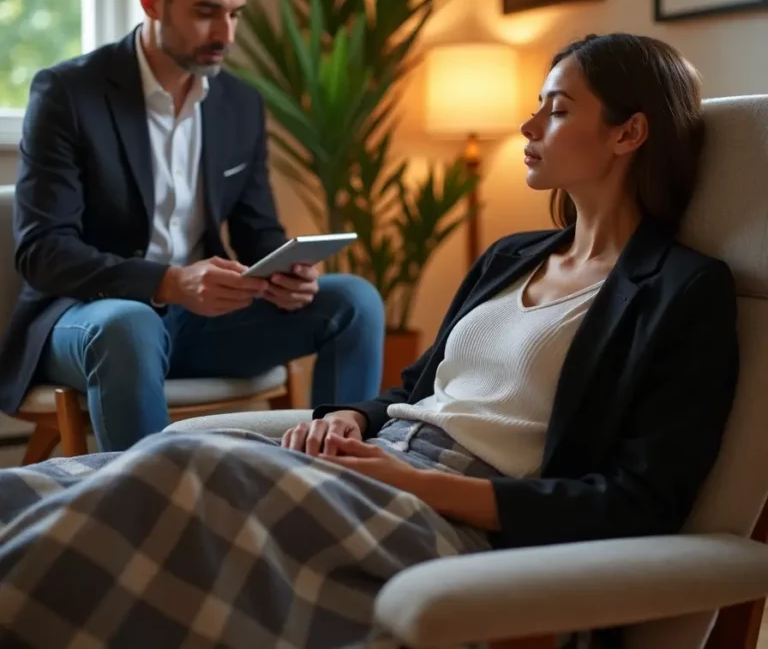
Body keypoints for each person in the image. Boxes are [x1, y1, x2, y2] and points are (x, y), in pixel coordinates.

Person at [0, 33, 739, 649]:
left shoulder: (681, 291)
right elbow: (413, 389)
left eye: (557, 110)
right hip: (383, 467)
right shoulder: (514, 256)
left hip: (454, 518)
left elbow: (638, 501)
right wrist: (350, 416)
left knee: (185, 460)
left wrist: (414, 482)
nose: (528, 127)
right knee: (53, 482)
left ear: (628, 132)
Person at [0, 0, 385, 451]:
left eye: (235, 14)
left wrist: (286, 270)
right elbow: (43, 252)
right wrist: (168, 283)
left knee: (355, 300)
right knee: (129, 325)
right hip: (88, 318)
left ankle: (334, 482)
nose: (226, 34)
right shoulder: (69, 92)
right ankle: (153, 513)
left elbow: (257, 230)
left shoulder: (238, 103)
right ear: (153, 2)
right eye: (207, 12)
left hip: (202, 322)